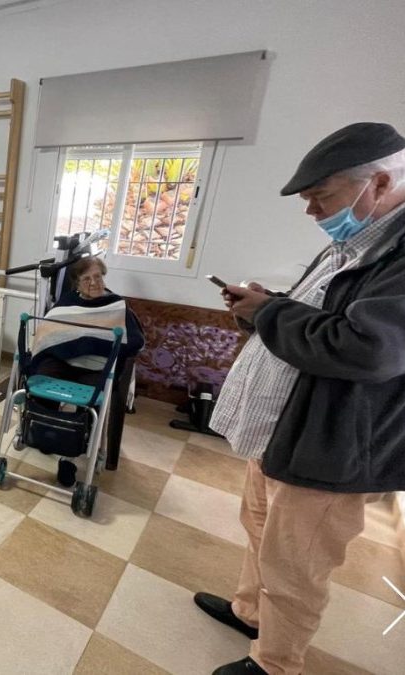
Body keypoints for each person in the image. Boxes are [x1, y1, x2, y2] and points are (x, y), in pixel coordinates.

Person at [195, 122, 405, 675]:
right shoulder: (355, 242)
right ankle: (251, 614)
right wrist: (267, 305)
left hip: (332, 444)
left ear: (379, 183)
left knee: (297, 562)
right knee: (261, 528)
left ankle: (275, 663)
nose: (312, 212)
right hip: (287, 425)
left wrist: (267, 312)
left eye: (321, 197)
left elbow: (366, 349)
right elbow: (321, 319)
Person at [29, 255, 145, 479]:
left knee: (92, 400)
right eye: (86, 278)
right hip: (64, 363)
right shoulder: (66, 302)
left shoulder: (117, 305)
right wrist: (74, 343)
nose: (94, 282)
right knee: (42, 378)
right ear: (76, 283)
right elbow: (47, 332)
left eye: (98, 276)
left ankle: (77, 448)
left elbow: (136, 341)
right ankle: (46, 431)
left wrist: (92, 342)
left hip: (96, 368)